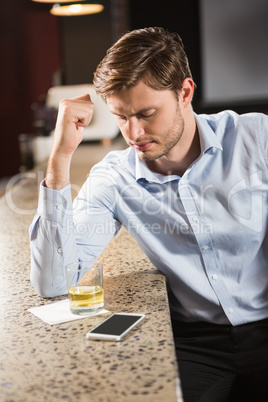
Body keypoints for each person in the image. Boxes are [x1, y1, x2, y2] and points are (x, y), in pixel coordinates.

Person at [29, 27, 268, 401]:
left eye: (146, 113)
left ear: (185, 93)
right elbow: (55, 283)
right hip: (194, 345)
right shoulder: (114, 177)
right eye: (121, 117)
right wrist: (60, 158)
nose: (134, 132)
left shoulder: (256, 139)